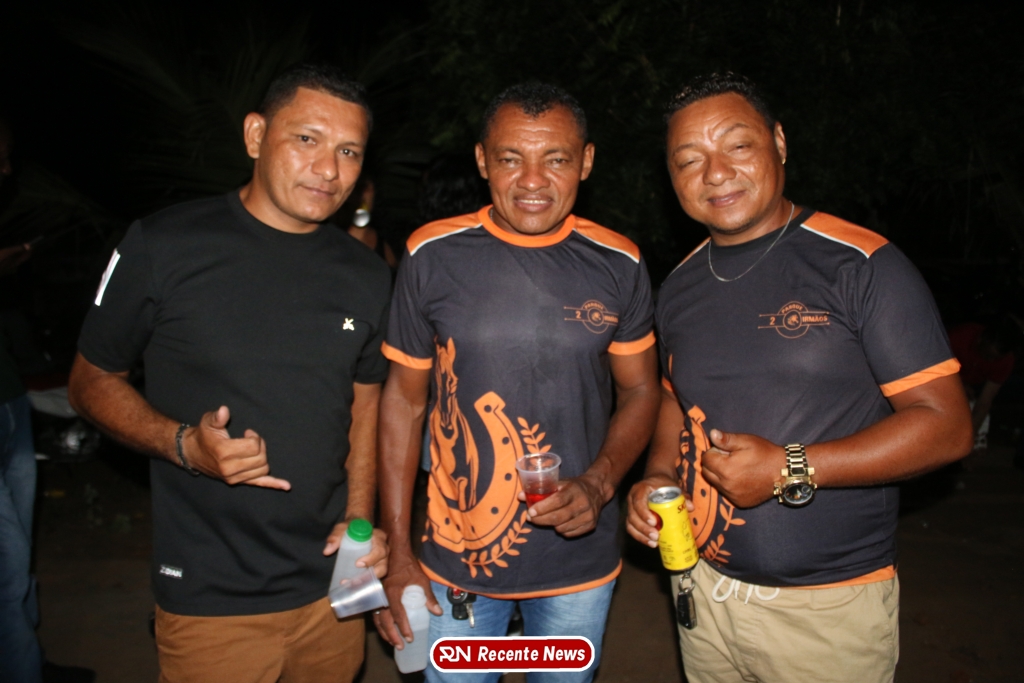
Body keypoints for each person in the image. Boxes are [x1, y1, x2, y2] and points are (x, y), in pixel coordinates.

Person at [626, 72, 973, 683]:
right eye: (689, 159)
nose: (716, 172)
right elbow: (678, 401)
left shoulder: (861, 264)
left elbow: (947, 427)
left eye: (737, 145)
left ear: (779, 143)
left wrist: (789, 467)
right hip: (702, 592)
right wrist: (657, 476)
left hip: (826, 609)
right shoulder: (677, 286)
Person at [67, 64, 391, 683]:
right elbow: (89, 382)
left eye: (349, 151)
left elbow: (366, 407)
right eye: (307, 139)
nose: (329, 169)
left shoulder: (368, 275)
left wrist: (358, 526)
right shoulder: (163, 245)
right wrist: (184, 445)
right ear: (255, 135)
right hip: (211, 597)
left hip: (331, 591)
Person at [375, 82, 660, 682]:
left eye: (555, 159)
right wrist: (399, 551)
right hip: (459, 562)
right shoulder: (431, 254)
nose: (533, 181)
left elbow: (641, 391)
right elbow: (403, 401)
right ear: (482, 161)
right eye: (510, 158)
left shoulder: (620, 262)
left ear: (586, 161)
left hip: (578, 562)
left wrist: (599, 483)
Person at [1, 115, 95, 683]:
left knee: (18, 547)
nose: (7, 169)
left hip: (9, 395)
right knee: (7, 559)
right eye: (2, 154)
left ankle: (25, 659)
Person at [948, 317, 1020, 451]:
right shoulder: (960, 337)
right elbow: (933, 370)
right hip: (947, 378)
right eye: (987, 355)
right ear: (981, 340)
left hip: (976, 386)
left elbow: (985, 401)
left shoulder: (1005, 361)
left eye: (995, 359)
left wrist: (968, 440)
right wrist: (960, 385)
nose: (990, 361)